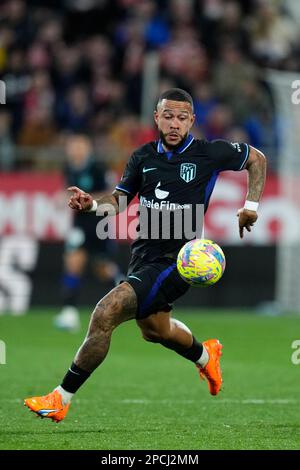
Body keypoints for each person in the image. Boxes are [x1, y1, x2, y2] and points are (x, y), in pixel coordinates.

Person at [24, 88, 266, 422]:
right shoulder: (142, 157)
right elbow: (120, 201)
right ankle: (204, 356)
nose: (174, 123)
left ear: (192, 120)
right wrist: (93, 204)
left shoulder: (209, 154)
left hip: (178, 262)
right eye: (168, 116)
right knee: (155, 330)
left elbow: (257, 159)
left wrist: (250, 206)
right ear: (156, 118)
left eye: (182, 117)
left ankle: (60, 398)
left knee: (105, 312)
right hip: (143, 256)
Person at [54, 133, 122, 331]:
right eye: (72, 146)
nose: (75, 150)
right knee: (73, 262)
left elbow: (113, 195)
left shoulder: (98, 168)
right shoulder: (69, 168)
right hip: (79, 225)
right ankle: (69, 313)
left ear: (88, 148)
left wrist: (88, 200)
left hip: (99, 224)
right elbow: (68, 193)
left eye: (79, 146)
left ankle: (131, 294)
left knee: (102, 269)